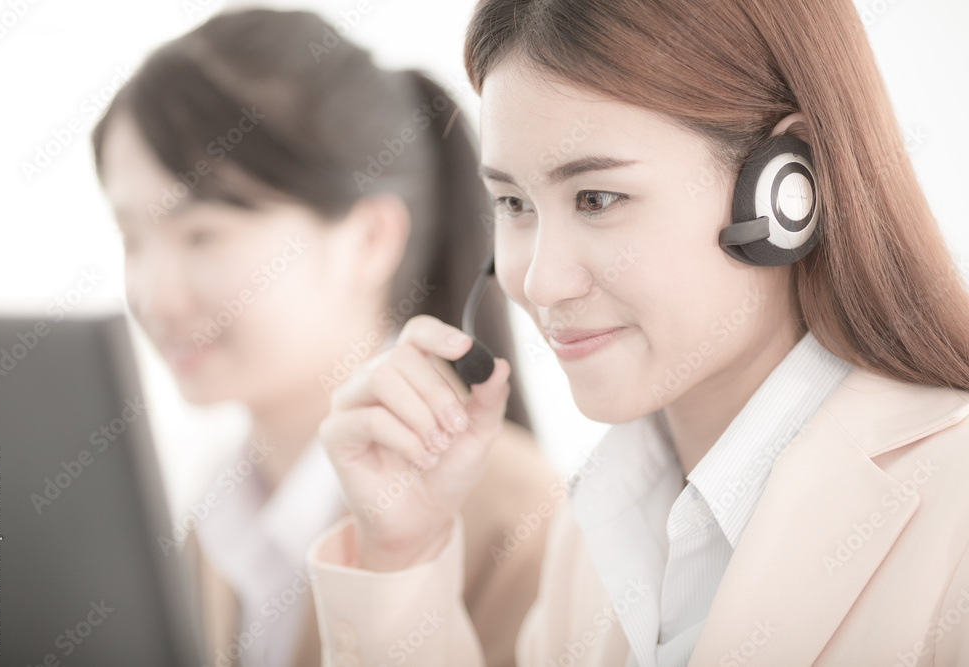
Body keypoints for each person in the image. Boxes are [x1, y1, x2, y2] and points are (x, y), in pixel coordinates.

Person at [306, 0, 969, 665]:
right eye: (513, 203)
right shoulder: (600, 520)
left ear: (786, 184)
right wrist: (403, 556)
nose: (538, 282)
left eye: (597, 198)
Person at [90, 9, 558, 667]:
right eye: (132, 237)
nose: (153, 295)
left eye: (202, 235)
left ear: (368, 240)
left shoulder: (520, 521)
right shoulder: (218, 514)